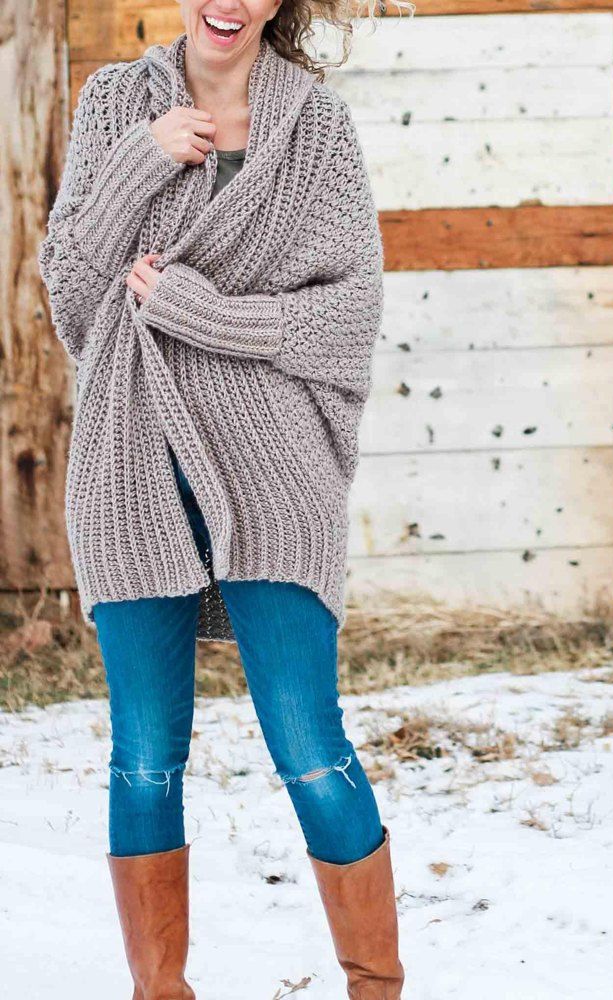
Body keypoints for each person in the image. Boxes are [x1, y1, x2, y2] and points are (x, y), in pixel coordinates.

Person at [38, 0, 408, 997]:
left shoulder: (313, 123)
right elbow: (73, 292)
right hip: (133, 467)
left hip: (273, 478)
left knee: (309, 747)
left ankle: (376, 986)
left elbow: (348, 312)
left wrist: (207, 315)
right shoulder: (117, 101)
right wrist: (141, 160)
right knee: (145, 758)